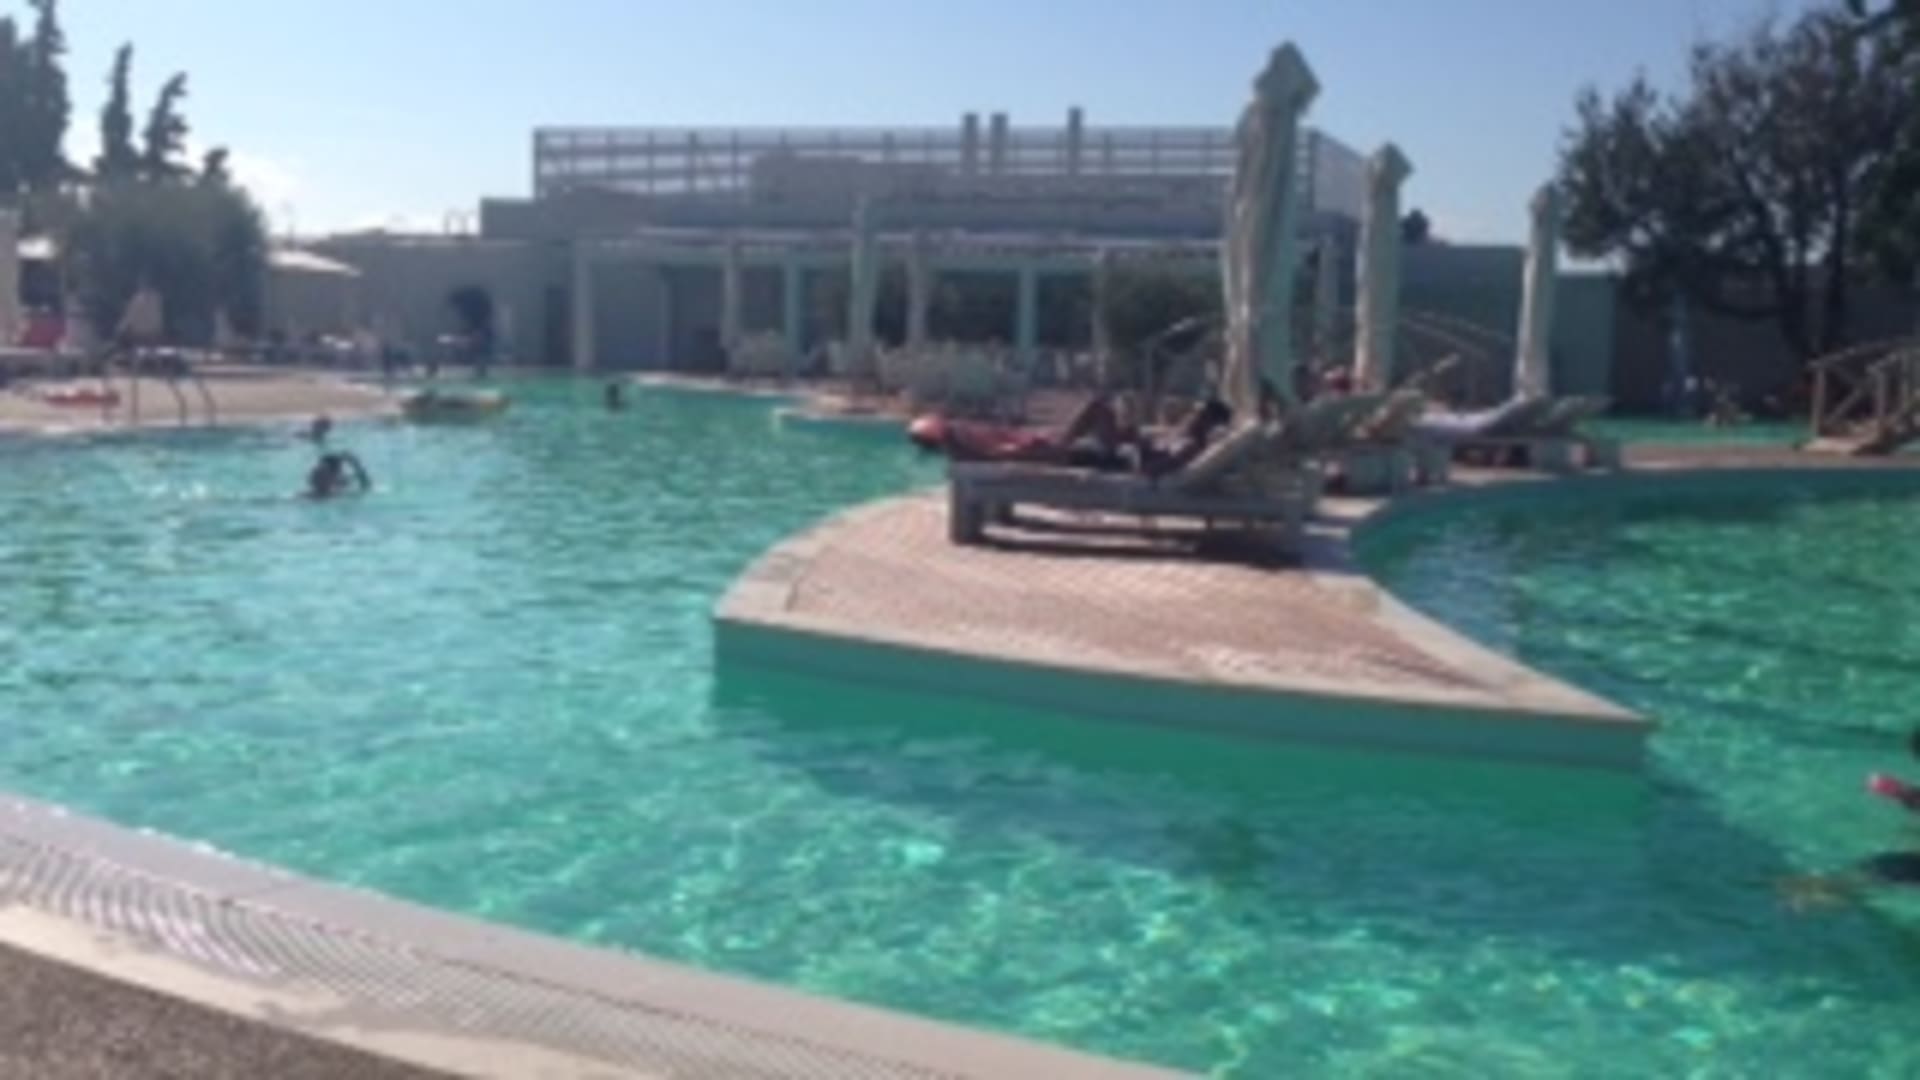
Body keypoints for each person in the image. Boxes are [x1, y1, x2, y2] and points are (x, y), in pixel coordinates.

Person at [306, 451, 371, 500]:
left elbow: (366, 488)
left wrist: (356, 465)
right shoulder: (305, 497)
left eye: (320, 474)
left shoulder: (340, 495)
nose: (313, 475)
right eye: (315, 472)